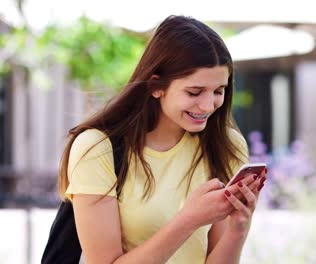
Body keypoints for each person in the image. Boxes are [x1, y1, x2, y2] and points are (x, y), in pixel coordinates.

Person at [57, 15, 267, 264]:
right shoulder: (96, 148)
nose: (209, 105)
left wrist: (238, 228)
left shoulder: (226, 145)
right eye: (194, 92)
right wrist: (188, 220)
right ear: (156, 86)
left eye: (219, 91)